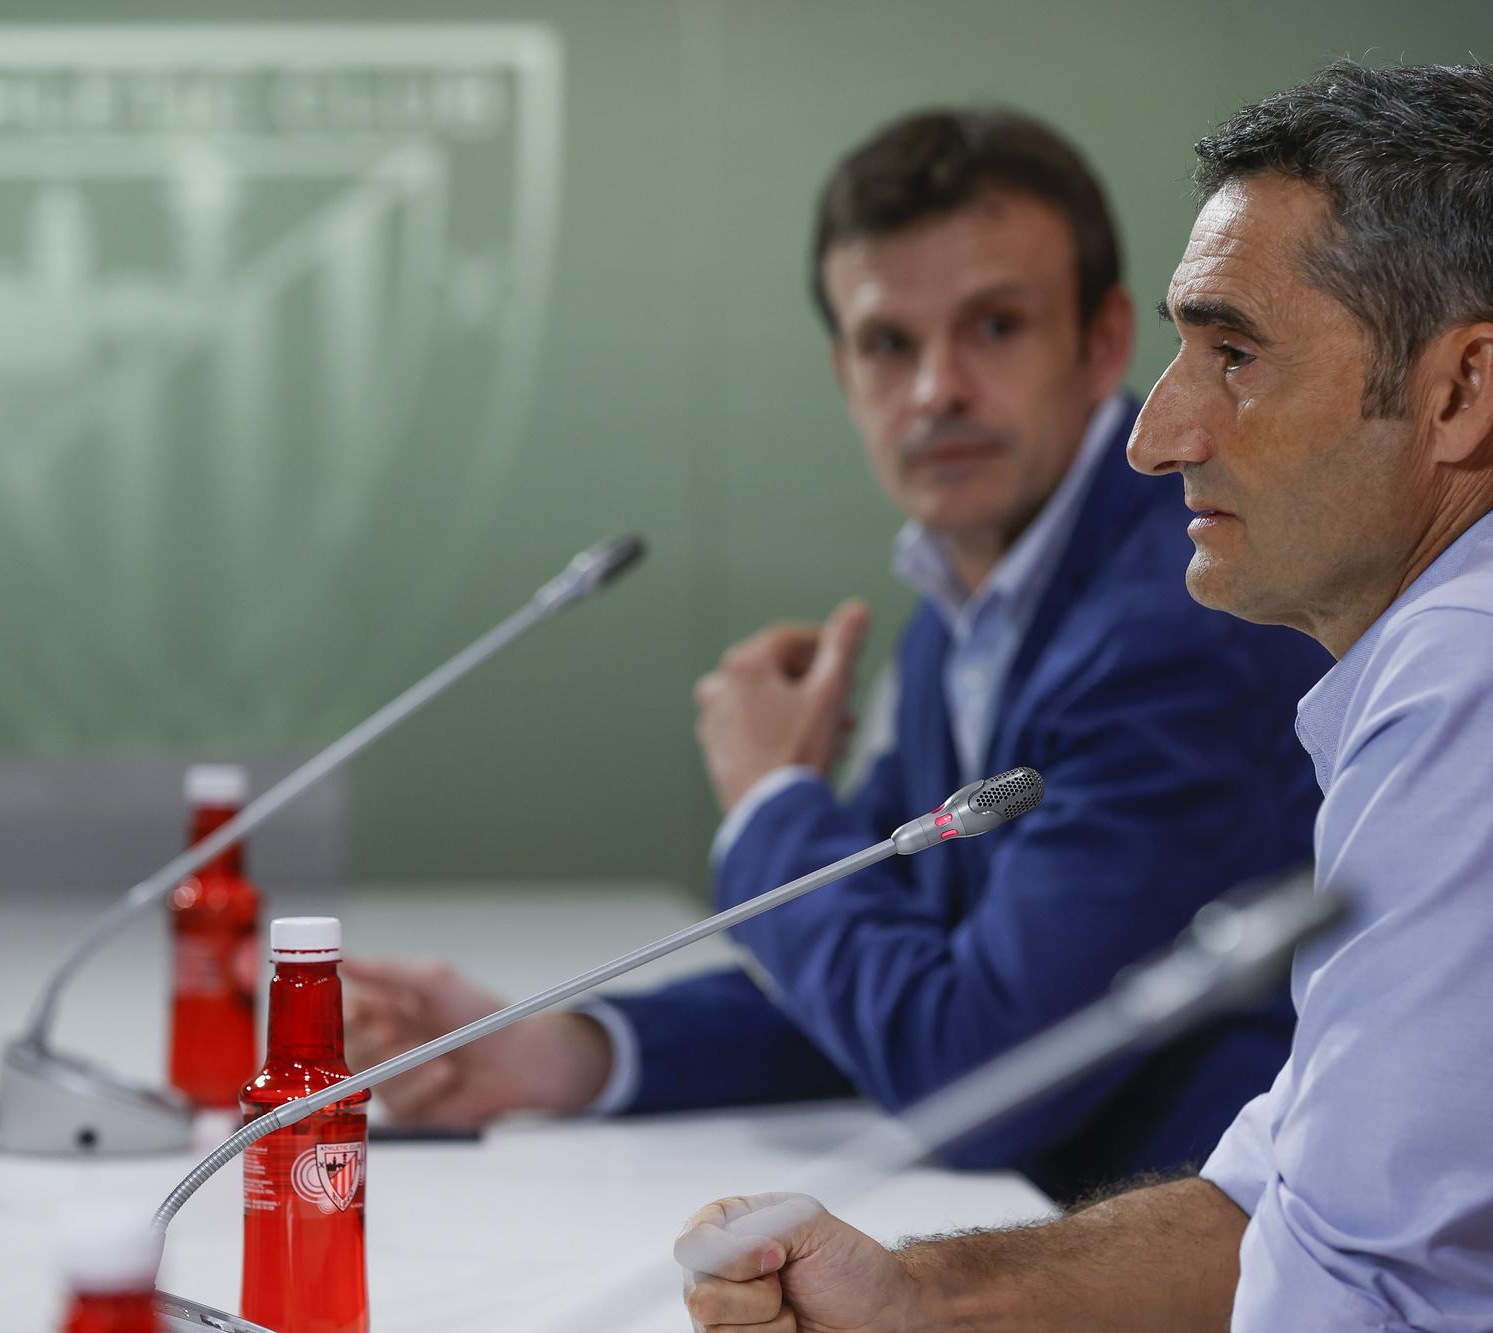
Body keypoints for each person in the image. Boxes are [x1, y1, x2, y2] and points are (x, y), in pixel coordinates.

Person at [675, 61, 1493, 1332]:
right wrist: (914, 1298)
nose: (1154, 433)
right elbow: (1274, 1205)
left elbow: (1374, 1299)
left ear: (1458, 390)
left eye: (1231, 354)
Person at [344, 107, 1327, 1200]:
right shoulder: (971, 595)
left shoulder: (1171, 626)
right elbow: (882, 977)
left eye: (993, 327)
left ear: (1101, 342)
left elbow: (972, 1072)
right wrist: (560, 1052)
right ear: (841, 368)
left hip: (1214, 1275)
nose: (934, 390)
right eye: (887, 344)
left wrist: (770, 800)